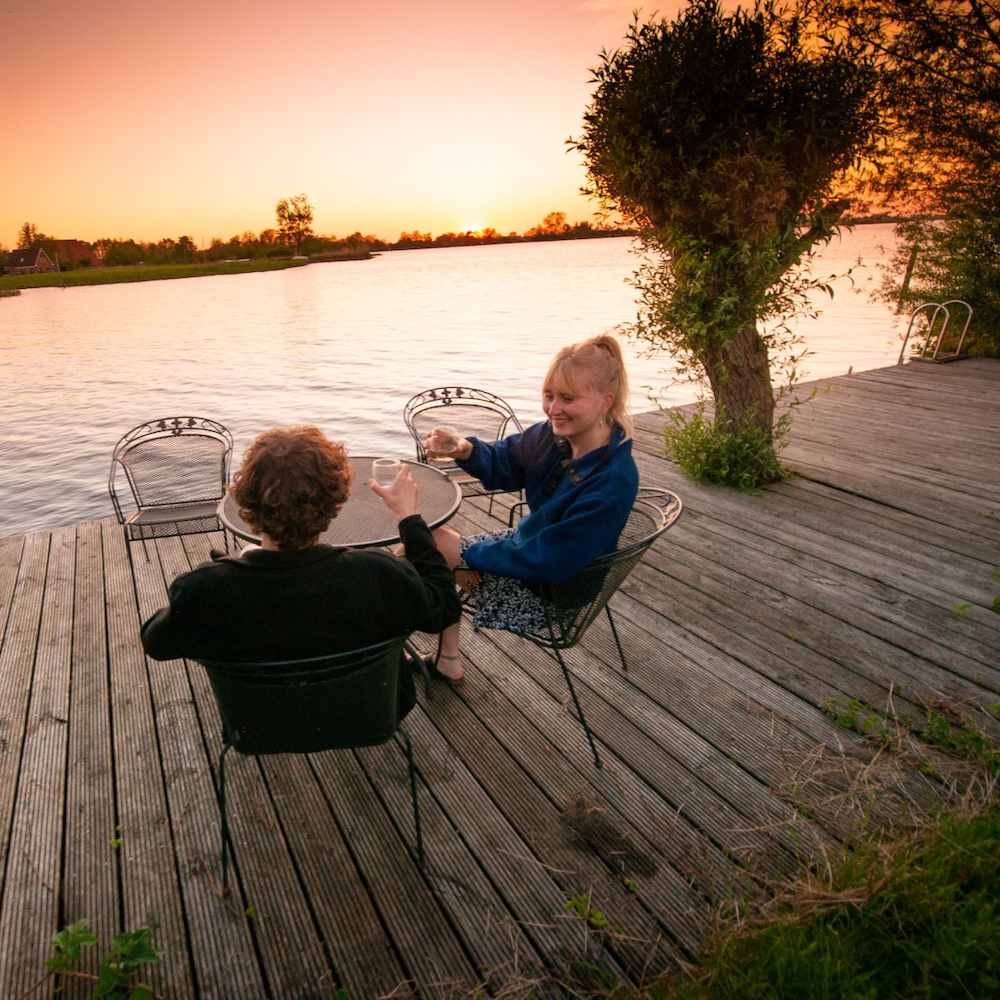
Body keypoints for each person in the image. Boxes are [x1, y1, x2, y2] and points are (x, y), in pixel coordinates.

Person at [140, 425, 462, 715]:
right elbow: (442, 607)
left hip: (260, 720)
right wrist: (409, 517)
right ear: (337, 502)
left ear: (244, 500)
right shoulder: (378, 574)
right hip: (371, 711)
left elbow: (156, 643)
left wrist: (208, 582)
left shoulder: (205, 590)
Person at [423, 333, 638, 684]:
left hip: (551, 592)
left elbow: (551, 561)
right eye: (549, 395)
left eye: (568, 398)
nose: (553, 409)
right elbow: (508, 460)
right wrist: (465, 448)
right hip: (531, 547)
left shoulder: (611, 483)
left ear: (605, 401)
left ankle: (388, 670)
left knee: (419, 552)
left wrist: (471, 554)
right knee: (427, 544)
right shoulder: (555, 437)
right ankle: (447, 658)